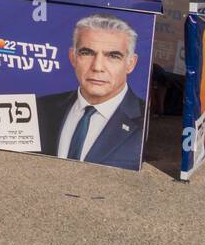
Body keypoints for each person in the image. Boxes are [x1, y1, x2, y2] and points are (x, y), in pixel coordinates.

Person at [36, 14, 146, 171]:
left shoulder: (145, 122)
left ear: (130, 64)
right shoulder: (41, 108)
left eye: (113, 56)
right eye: (87, 53)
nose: (98, 66)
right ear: (72, 57)